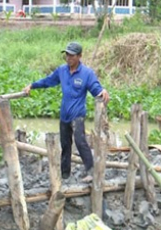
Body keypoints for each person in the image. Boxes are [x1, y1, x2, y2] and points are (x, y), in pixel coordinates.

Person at [23, 42, 109, 183]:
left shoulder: (86, 73)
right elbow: (48, 81)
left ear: (79, 56)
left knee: (80, 141)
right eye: (67, 55)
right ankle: (65, 174)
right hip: (65, 115)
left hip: (78, 115)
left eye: (71, 55)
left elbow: (95, 87)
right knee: (65, 144)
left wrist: (102, 90)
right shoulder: (62, 71)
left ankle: (92, 171)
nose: (68, 58)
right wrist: (32, 85)